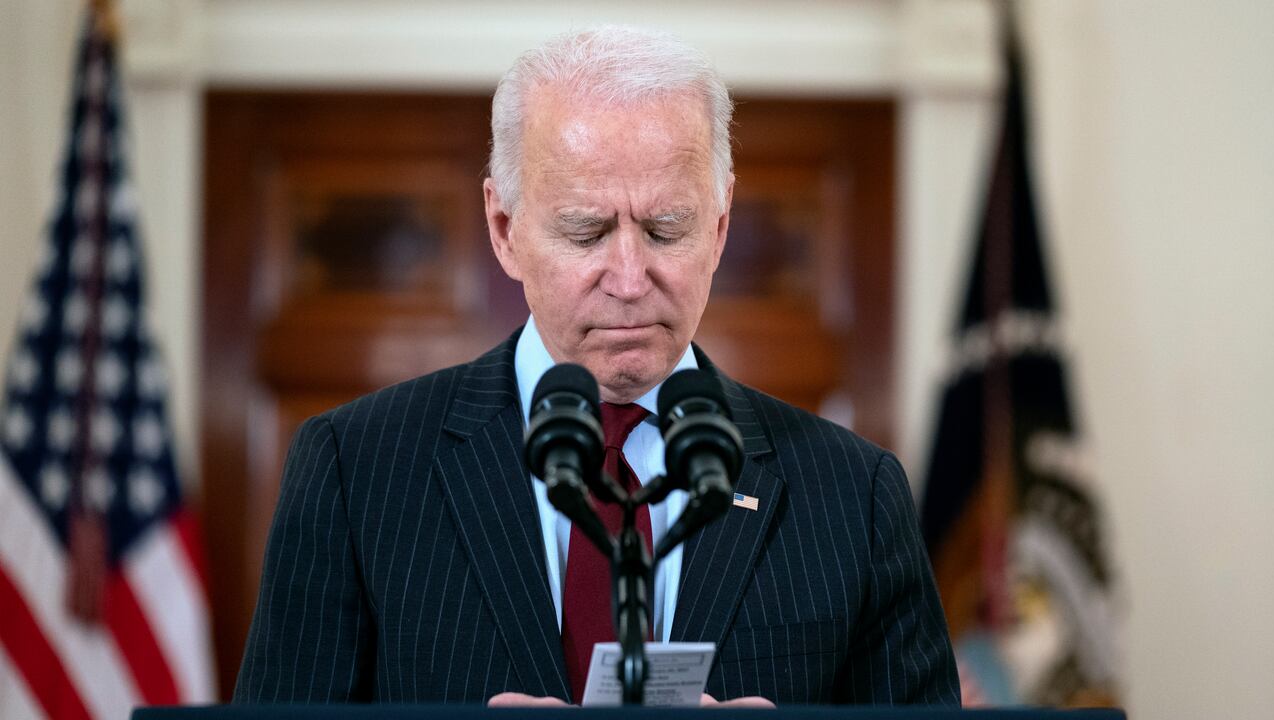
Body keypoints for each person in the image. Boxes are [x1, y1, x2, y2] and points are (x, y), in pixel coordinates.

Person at [233, 25, 960, 707]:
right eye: (587, 231)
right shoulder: (355, 469)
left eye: (665, 228)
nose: (629, 275)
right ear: (504, 229)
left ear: (719, 226)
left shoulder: (854, 497)